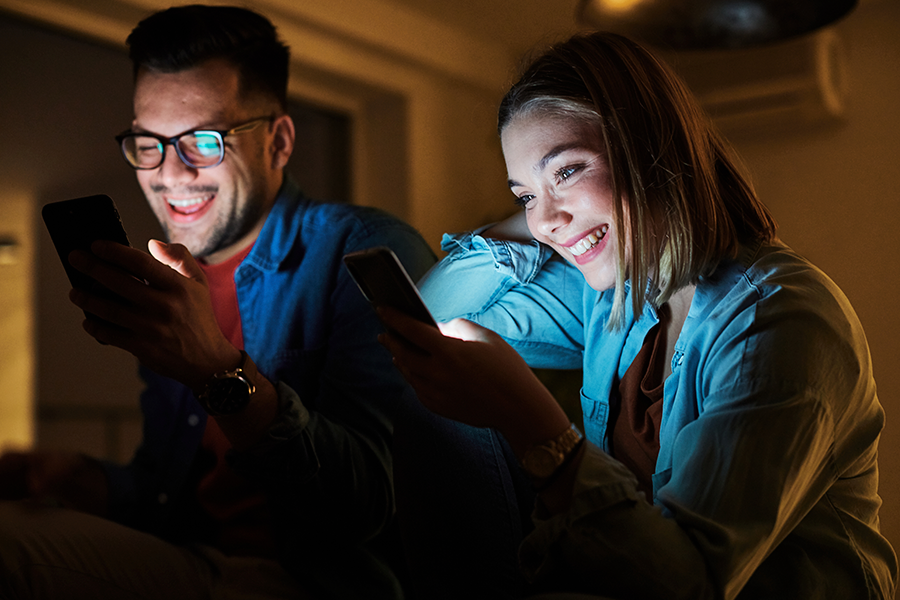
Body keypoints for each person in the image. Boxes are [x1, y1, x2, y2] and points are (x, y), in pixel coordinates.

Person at [378, 31, 898, 599]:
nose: (543, 219)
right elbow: (428, 319)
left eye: (568, 170)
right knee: (433, 397)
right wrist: (535, 222)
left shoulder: (778, 322)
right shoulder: (613, 298)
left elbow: (690, 584)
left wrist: (535, 427)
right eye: (524, 194)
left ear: (650, 148)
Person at [0, 5, 434, 599]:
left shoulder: (362, 251)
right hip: (203, 560)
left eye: (202, 141)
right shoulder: (178, 279)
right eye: (148, 142)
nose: (168, 173)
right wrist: (83, 480)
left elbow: (369, 505)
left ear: (279, 142)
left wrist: (214, 368)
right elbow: (170, 493)